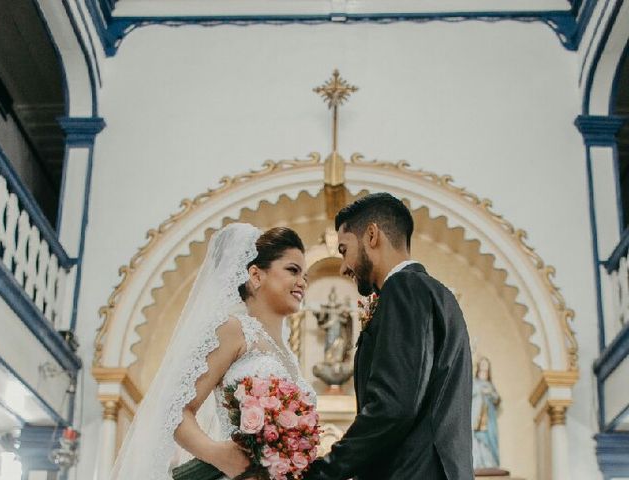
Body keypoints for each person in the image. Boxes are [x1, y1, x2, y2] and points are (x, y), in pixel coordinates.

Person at [109, 223, 316, 480]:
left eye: (305, 276)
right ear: (256, 275)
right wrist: (219, 455)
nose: (302, 282)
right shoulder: (234, 330)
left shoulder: (289, 355)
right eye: (292, 270)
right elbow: (176, 408)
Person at [304, 192, 474, 480]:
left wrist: (322, 472)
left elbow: (393, 406)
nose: (344, 267)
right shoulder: (438, 295)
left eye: (344, 250)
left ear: (372, 235)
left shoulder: (403, 289)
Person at [472, 356, 501, 469]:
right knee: (476, 439)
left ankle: (489, 463)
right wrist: (480, 391)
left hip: (488, 419)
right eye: (482, 364)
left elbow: (496, 398)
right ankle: (477, 462)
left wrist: (489, 392)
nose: (484, 366)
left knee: (489, 439)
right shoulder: (474, 383)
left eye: (486, 364)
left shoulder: (490, 385)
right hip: (475, 417)